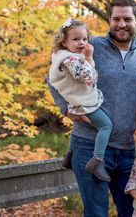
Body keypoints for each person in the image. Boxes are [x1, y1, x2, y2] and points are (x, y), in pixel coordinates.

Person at [48, 0, 136, 217]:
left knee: (132, 211)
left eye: (127, 18)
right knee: (96, 212)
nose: (121, 24)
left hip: (126, 149)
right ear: (109, 20)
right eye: (116, 18)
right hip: (88, 145)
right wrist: (65, 109)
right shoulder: (89, 45)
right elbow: (52, 78)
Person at [49, 18, 112, 182]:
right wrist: (89, 57)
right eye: (75, 39)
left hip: (77, 101)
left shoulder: (62, 56)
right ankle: (97, 160)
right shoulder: (70, 59)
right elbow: (85, 76)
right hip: (84, 103)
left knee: (77, 125)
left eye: (84, 39)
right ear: (64, 41)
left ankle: (69, 155)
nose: (81, 43)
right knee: (106, 126)